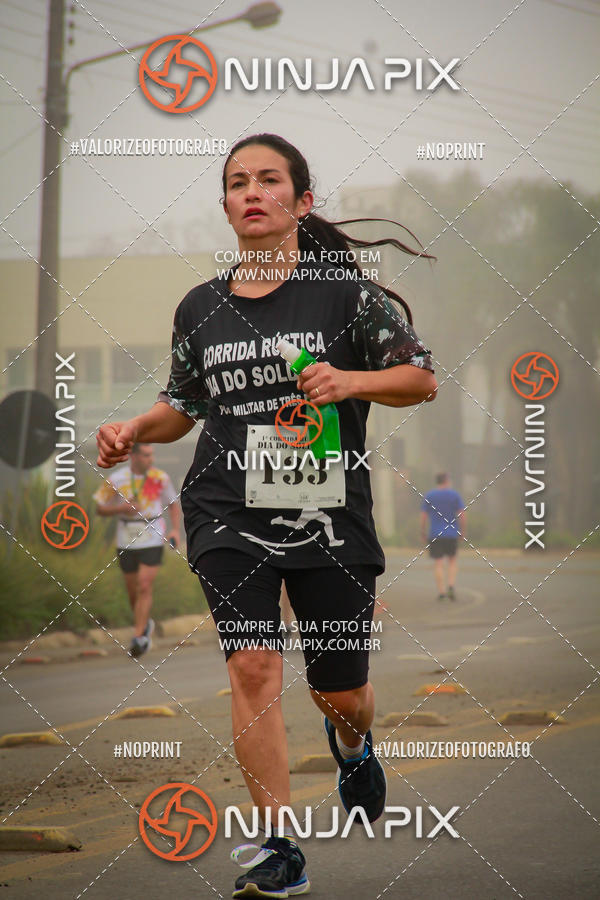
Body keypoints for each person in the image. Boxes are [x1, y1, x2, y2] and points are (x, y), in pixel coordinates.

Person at [96, 133, 437, 898]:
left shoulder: (348, 298)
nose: (251, 191)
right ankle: (281, 844)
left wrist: (350, 381)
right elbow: (181, 408)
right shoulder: (202, 307)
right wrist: (129, 432)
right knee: (252, 664)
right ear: (225, 206)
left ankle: (352, 746)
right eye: (237, 181)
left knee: (339, 689)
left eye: (269, 179)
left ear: (302, 201)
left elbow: (420, 379)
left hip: (325, 509)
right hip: (226, 506)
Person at [93, 443, 180, 657]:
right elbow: (99, 507)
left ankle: (139, 637)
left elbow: (174, 504)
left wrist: (175, 530)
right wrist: (121, 508)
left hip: (152, 536)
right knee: (133, 591)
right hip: (126, 538)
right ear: (134, 456)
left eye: (152, 455)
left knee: (144, 585)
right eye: (146, 455)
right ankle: (145, 624)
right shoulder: (116, 479)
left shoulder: (161, 478)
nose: (151, 459)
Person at [420, 472, 465, 601]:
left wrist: (423, 531)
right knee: (452, 561)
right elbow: (462, 514)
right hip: (451, 533)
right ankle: (451, 586)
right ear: (446, 481)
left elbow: (423, 516)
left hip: (435, 533)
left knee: (438, 563)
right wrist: (462, 531)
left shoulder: (430, 495)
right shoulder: (454, 495)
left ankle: (441, 592)